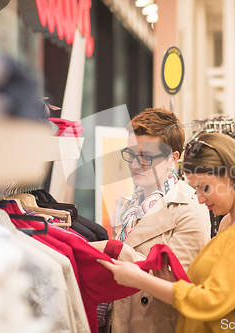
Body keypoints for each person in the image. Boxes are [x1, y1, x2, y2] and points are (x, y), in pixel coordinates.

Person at [98, 133, 235, 333]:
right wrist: (175, 283)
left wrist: (140, 279)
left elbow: (211, 301)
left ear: (231, 175)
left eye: (205, 187)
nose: (200, 199)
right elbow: (220, 291)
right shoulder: (230, 221)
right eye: (196, 189)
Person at [89, 108, 210, 333]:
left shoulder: (191, 209)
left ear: (173, 158)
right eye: (131, 154)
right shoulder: (132, 203)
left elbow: (179, 286)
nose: (134, 164)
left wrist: (113, 249)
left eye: (145, 157)